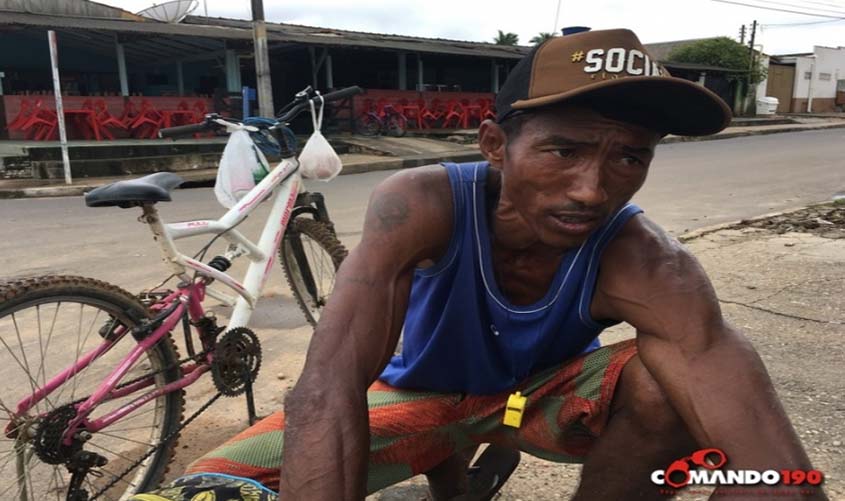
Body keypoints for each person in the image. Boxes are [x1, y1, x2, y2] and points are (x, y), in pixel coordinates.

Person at [134, 28, 824, 501]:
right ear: (495, 144)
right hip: (420, 395)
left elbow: (772, 465)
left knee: (668, 384)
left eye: (628, 156)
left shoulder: (648, 261)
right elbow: (328, 383)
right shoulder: (420, 203)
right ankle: (451, 474)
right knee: (212, 486)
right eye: (563, 150)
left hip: (537, 402)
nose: (593, 190)